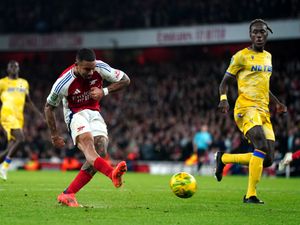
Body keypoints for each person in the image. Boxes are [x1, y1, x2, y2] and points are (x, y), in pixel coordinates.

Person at [44, 48, 130, 207]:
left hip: (94, 113)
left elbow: (126, 80)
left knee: (101, 150)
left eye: (92, 68)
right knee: (90, 148)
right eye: (87, 69)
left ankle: (68, 194)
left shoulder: (100, 67)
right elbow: (49, 107)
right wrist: (54, 135)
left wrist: (104, 91)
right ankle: (111, 173)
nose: (91, 72)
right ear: (76, 65)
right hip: (76, 115)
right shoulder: (63, 82)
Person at [215, 19, 287, 204]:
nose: (259, 35)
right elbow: (224, 83)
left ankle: (223, 158)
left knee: (268, 159)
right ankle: (250, 195)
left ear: (267, 34)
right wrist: (224, 100)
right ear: (250, 35)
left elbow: (264, 86)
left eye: (262, 32)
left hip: (263, 110)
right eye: (255, 32)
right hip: (245, 107)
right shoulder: (241, 56)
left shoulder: (268, 57)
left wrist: (277, 103)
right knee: (260, 146)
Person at [0, 60, 43, 180]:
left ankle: (2, 164)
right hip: (7, 115)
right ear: (7, 69)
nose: (13, 68)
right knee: (21, 138)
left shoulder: (23, 83)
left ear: (18, 69)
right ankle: (4, 167)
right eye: (11, 66)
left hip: (19, 117)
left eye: (16, 66)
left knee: (10, 148)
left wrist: (39, 114)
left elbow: (28, 101)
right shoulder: (2, 83)